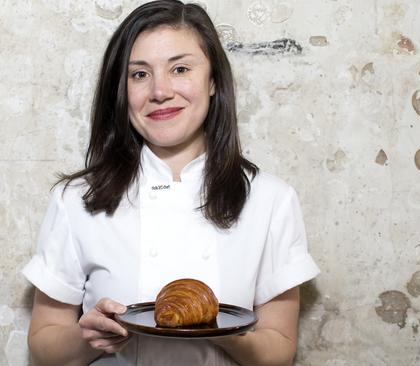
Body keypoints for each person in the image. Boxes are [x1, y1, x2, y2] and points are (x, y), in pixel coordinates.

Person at [22, 0, 320, 365]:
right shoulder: (77, 199)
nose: (160, 91)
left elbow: (279, 351)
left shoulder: (271, 199)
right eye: (139, 74)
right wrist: (91, 336)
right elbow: (43, 344)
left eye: (180, 68)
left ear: (213, 81)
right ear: (121, 89)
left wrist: (218, 330)